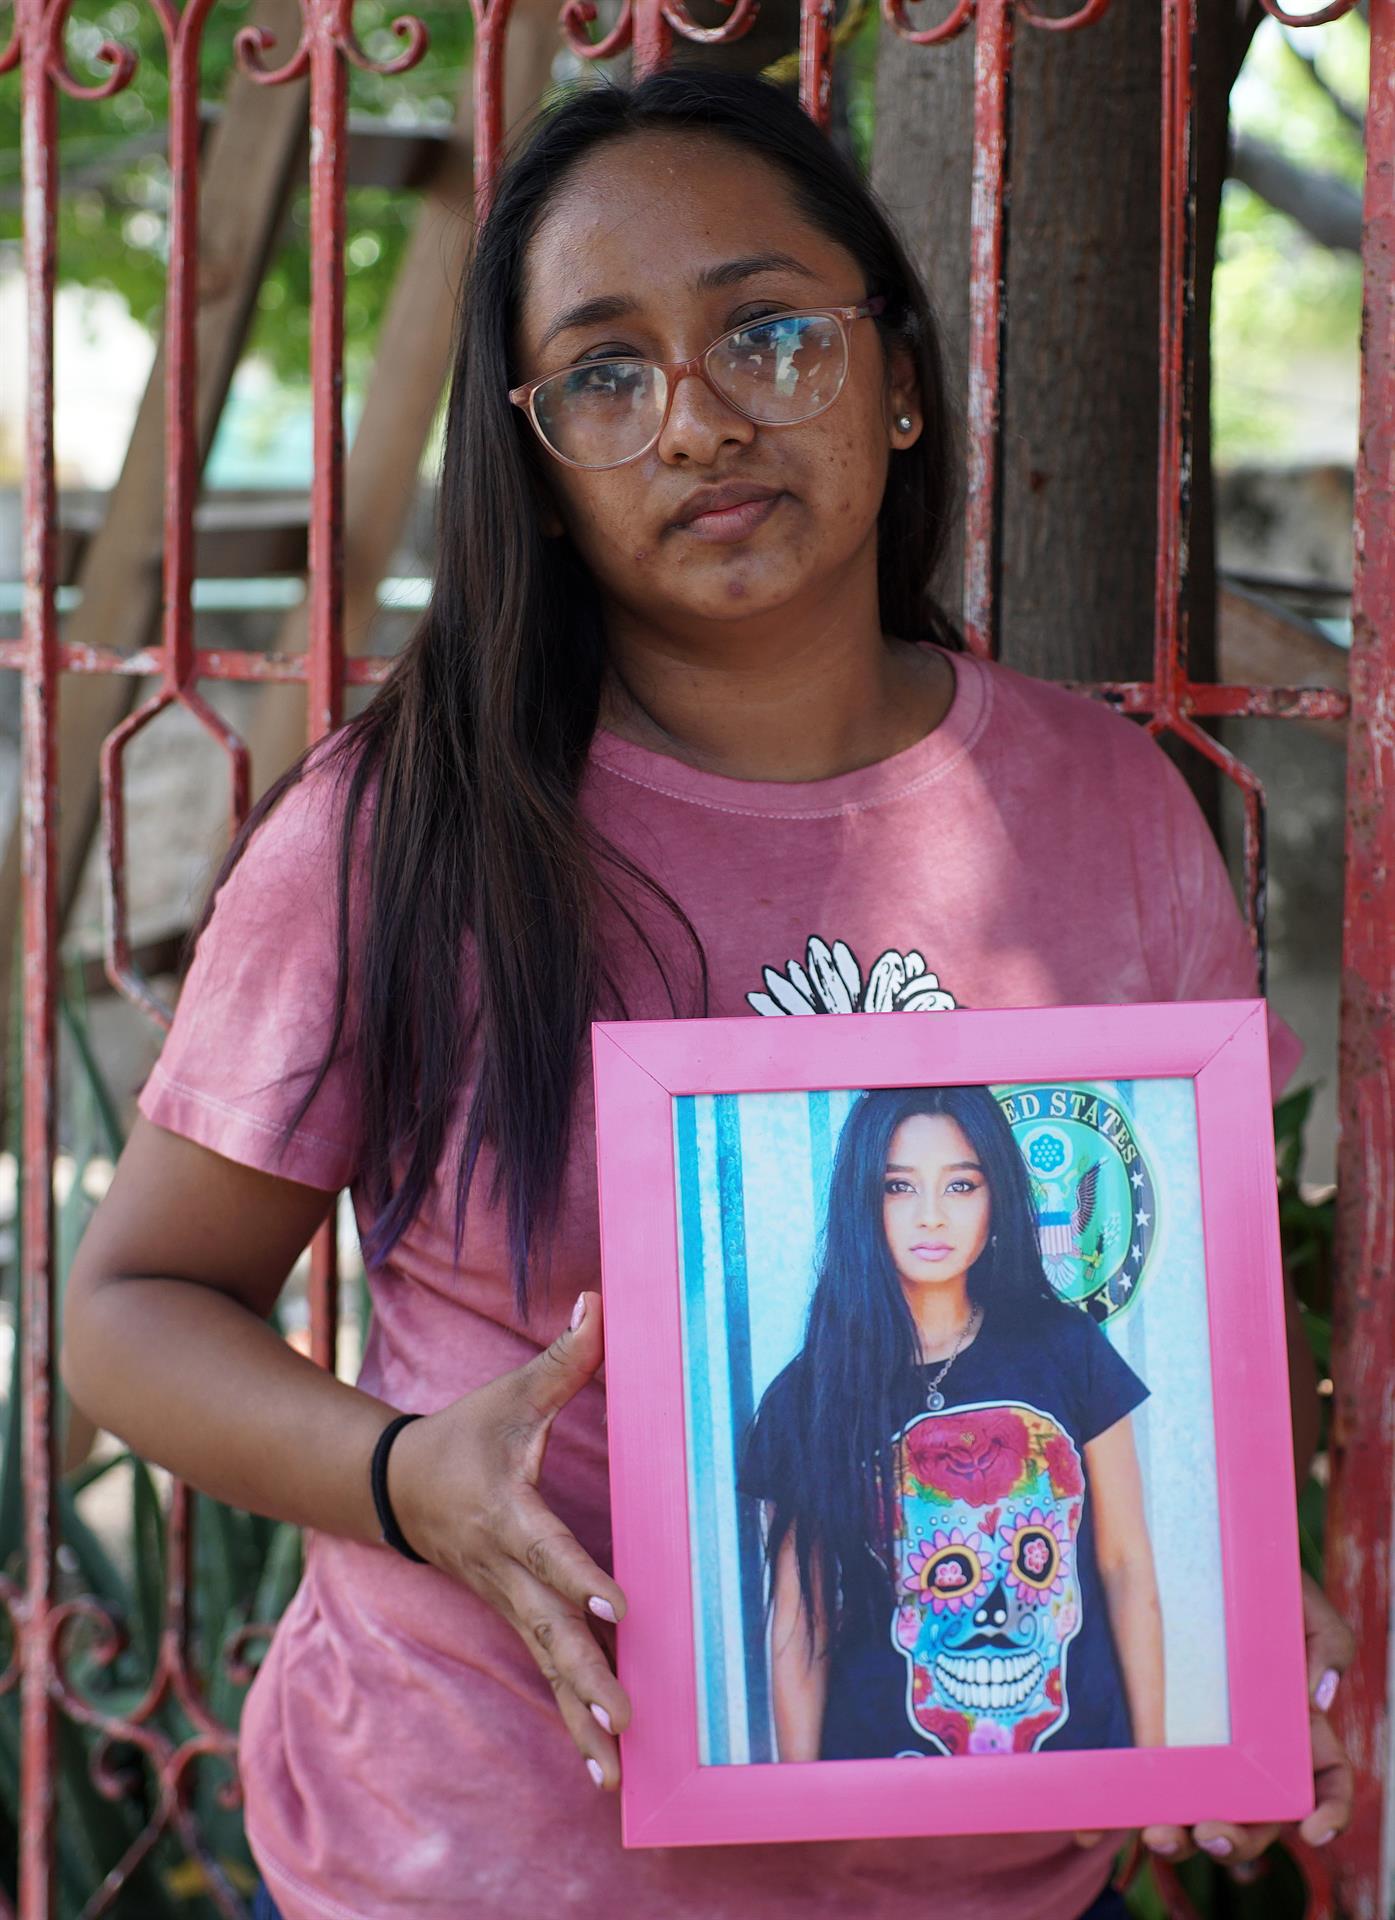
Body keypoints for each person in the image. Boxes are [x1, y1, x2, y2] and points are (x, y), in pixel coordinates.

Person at [59, 67, 1352, 1920]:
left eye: (766, 330)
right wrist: (410, 1472)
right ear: (540, 464)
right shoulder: (403, 828)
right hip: (474, 1864)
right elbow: (129, 1312)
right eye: (603, 371)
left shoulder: (1108, 810)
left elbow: (1169, 1360)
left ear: (896, 373)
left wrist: (1218, 1634)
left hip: (989, 1876)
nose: (695, 421)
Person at [739, 1084, 1163, 1765]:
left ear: (997, 1198)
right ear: (860, 1203)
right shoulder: (809, 1394)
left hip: (1078, 1778)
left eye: (960, 1186)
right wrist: (805, 1801)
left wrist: (1156, 1769)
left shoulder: (1065, 1347)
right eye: (898, 1187)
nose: (930, 1216)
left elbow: (1123, 1565)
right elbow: (798, 1618)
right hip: (880, 1781)